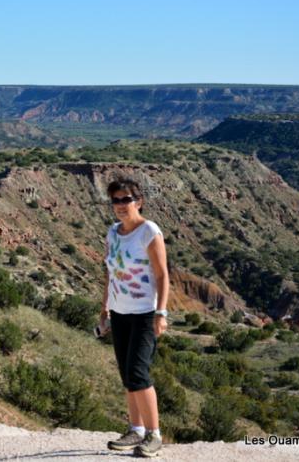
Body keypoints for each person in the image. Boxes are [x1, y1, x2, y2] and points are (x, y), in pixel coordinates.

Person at [102, 179, 169, 458]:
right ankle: (135, 430)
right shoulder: (113, 233)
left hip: (144, 314)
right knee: (127, 375)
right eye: (115, 200)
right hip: (119, 312)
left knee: (139, 373)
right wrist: (104, 309)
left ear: (138, 201)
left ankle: (154, 434)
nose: (120, 205)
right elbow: (109, 273)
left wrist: (161, 312)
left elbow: (163, 274)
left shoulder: (149, 231)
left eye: (125, 199)